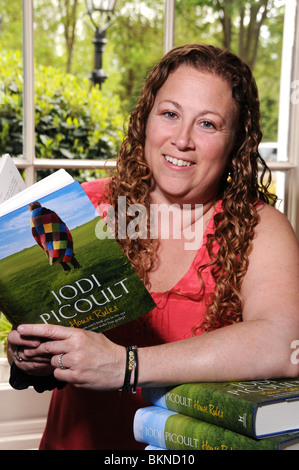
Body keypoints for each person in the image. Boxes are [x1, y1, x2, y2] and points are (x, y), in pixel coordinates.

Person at [7, 43, 299, 450]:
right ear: (146, 120)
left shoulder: (260, 229)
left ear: (237, 144)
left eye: (208, 124)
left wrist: (126, 366)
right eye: (170, 114)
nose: (182, 139)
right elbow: (45, 336)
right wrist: (30, 356)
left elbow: (283, 342)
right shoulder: (84, 208)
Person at [29, 201, 81, 271]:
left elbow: (34, 232)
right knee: (65, 249)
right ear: (39, 205)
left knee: (55, 253)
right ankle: (77, 266)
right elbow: (57, 220)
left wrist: (40, 240)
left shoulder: (32, 219)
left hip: (46, 240)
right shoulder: (46, 211)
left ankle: (66, 269)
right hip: (57, 234)